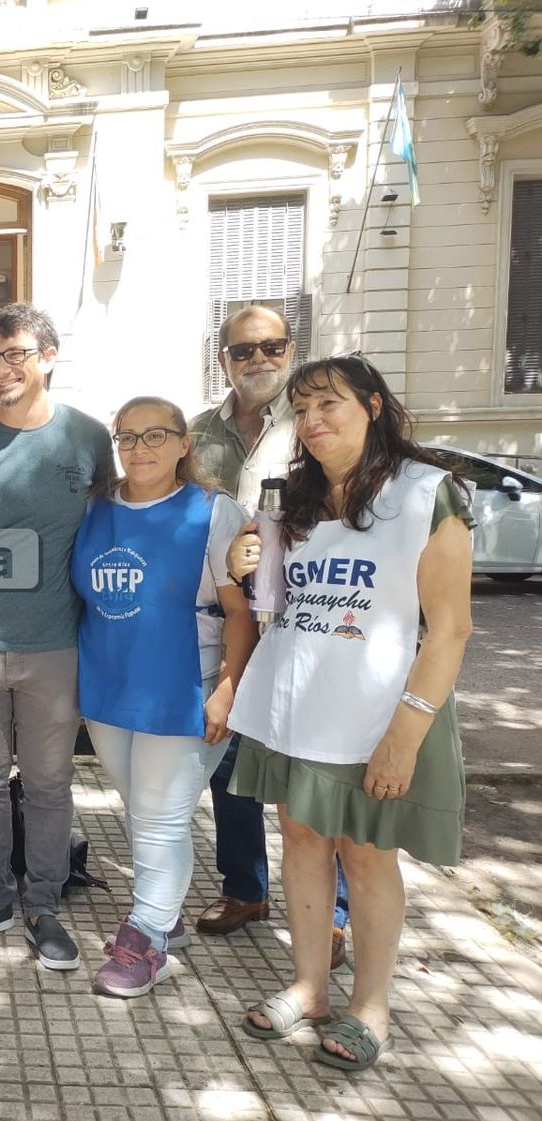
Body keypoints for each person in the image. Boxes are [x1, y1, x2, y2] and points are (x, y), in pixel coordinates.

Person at [229, 355, 473, 1072]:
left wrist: (406, 735)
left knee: (366, 857)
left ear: (373, 405)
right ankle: (309, 988)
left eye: (328, 405)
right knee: (301, 839)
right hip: (296, 703)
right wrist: (251, 563)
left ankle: (371, 1006)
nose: (312, 422)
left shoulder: (428, 493)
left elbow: (451, 629)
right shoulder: (294, 499)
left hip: (376, 713)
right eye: (301, 411)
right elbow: (277, 603)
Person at [0, 302, 114, 968]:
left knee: (48, 783)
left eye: (17, 355)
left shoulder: (89, 440)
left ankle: (45, 906)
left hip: (56, 643)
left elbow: (115, 526)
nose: (2, 369)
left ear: (49, 358)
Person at [69, 398, 257, 998]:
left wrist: (228, 689)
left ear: (184, 445)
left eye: (155, 435)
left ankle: (146, 938)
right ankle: (165, 911)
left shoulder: (213, 512)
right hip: (109, 685)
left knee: (160, 817)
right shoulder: (95, 509)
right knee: (140, 807)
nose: (138, 448)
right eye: (126, 436)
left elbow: (240, 614)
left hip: (184, 684)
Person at [189, 305, 351, 968]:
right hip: (227, 619)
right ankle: (246, 888)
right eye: (242, 350)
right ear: (222, 359)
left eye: (272, 346)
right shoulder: (199, 431)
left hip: (306, 618)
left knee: (312, 767)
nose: (258, 359)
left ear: (292, 350)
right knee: (231, 764)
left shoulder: (315, 420)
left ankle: (333, 912)